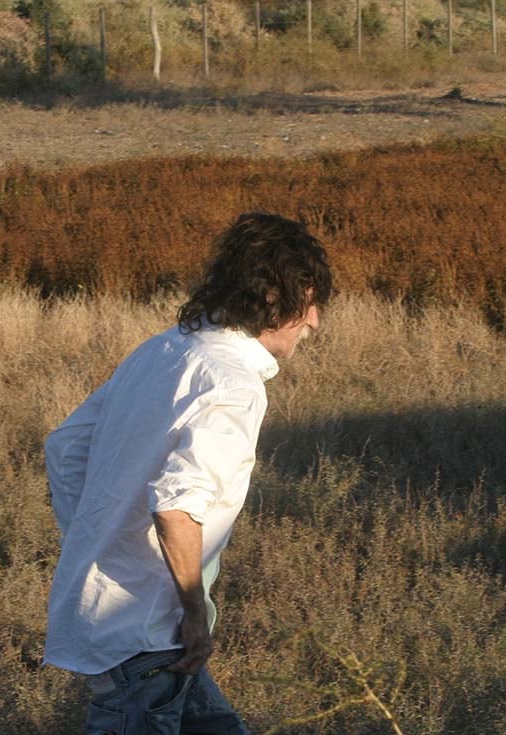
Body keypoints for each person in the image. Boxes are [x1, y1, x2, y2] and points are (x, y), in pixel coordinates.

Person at [44, 212, 333, 735]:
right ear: (274, 299)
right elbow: (176, 506)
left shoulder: (163, 349)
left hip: (130, 630)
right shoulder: (233, 383)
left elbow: (66, 449)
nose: (315, 320)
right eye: (309, 301)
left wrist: (99, 544)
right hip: (149, 638)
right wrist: (196, 612)